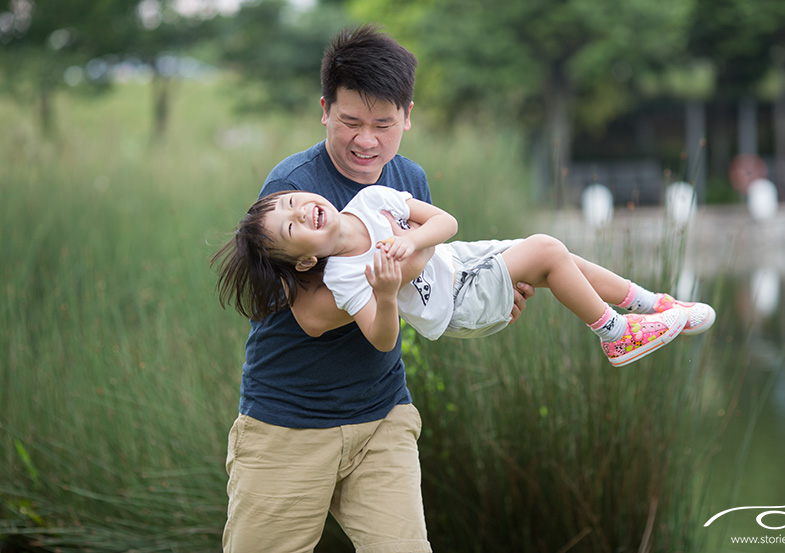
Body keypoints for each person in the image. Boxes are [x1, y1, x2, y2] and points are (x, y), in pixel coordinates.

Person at [217, 24, 534, 553]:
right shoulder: (294, 191)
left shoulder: (409, 180)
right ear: (324, 109)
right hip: (288, 425)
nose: (367, 140)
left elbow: (425, 286)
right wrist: (394, 277)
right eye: (350, 122)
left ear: (408, 115)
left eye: (384, 124)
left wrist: (490, 296)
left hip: (381, 415)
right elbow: (315, 317)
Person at [213, 185, 716, 367]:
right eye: (292, 226)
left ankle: (654, 306)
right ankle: (614, 335)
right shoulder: (346, 277)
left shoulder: (371, 200)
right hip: (453, 303)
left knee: (559, 256)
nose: (304, 213)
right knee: (544, 248)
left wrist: (413, 240)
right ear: (303, 263)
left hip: (458, 257)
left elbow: (447, 222)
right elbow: (384, 340)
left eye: (296, 203)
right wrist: (386, 294)